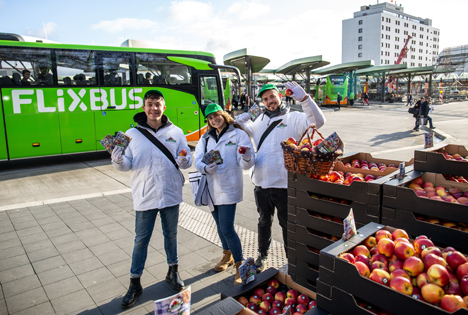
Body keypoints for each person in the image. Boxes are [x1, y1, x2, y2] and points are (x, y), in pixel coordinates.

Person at [112, 89, 192, 309]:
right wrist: (118, 161)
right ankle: (135, 283)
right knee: (141, 241)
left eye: (158, 104)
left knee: (171, 235)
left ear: (163, 107)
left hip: (170, 193)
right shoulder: (132, 134)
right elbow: (126, 164)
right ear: (144, 107)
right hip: (145, 195)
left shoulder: (176, 132)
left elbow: (186, 156)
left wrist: (186, 162)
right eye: (149, 104)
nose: (154, 108)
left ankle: (173, 272)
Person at [235, 82, 326, 272]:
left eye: (272, 97)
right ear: (262, 102)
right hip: (261, 183)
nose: (270, 101)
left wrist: (305, 99)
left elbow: (318, 121)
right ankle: (263, 255)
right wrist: (244, 116)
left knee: (288, 225)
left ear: (280, 96)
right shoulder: (258, 121)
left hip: (286, 185)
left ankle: (290, 258)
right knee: (263, 221)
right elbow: (238, 127)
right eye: (266, 99)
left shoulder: (294, 118)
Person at [193, 103, 255, 285]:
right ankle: (226, 255)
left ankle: (239, 264)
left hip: (229, 187)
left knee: (227, 228)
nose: (214, 120)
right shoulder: (205, 138)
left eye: (216, 115)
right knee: (219, 227)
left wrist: (246, 157)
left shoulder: (238, 134)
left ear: (224, 115)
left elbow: (246, 163)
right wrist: (204, 167)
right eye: (210, 118)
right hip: (211, 189)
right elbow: (197, 159)